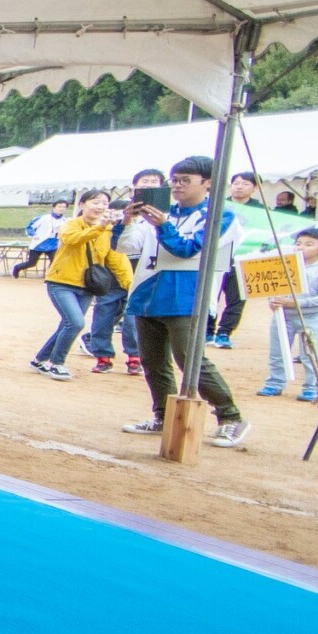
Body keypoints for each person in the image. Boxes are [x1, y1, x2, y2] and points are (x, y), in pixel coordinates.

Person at [121, 155, 246, 448]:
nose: (177, 186)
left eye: (185, 181)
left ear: (208, 183)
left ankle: (230, 416)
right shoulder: (161, 211)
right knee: (153, 362)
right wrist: (127, 222)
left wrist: (163, 225)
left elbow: (187, 250)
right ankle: (163, 415)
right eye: (174, 180)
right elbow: (126, 247)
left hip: (187, 297)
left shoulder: (220, 216)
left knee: (190, 360)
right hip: (148, 293)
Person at [30, 191, 131, 380]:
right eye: (95, 202)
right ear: (82, 204)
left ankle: (40, 359)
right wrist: (100, 227)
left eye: (104, 203)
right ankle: (56, 363)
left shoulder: (108, 232)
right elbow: (73, 239)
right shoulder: (70, 225)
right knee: (75, 322)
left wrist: (130, 286)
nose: (100, 206)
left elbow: (117, 261)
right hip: (61, 283)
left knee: (67, 325)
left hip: (87, 286)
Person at [261, 227, 318, 403]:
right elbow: (271, 287)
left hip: (312, 318)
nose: (301, 247)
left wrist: (294, 303)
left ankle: (312, 387)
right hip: (283, 316)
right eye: (298, 243)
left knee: (311, 353)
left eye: (308, 244)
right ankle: (275, 382)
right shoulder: (284, 265)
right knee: (277, 351)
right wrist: (273, 302)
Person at [210, 173, 276, 349]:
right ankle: (207, 329)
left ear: (255, 188)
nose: (239, 187)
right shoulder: (219, 204)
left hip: (244, 258)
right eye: (236, 183)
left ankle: (224, 332)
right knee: (209, 294)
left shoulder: (262, 211)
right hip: (219, 255)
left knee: (237, 297)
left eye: (245, 184)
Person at [111, 171, 165, 374]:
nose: (150, 185)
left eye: (154, 182)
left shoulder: (171, 213)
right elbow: (123, 245)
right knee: (130, 311)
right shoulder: (128, 211)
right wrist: (127, 219)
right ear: (135, 186)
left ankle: (147, 358)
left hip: (159, 270)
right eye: (145, 181)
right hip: (129, 266)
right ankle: (134, 356)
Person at [12, 202, 68, 277]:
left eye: (64, 207)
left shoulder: (66, 221)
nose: (61, 209)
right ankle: (17, 268)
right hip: (38, 244)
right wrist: (33, 235)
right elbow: (30, 226)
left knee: (55, 262)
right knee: (32, 263)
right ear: (53, 208)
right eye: (59, 206)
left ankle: (50, 278)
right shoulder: (43, 218)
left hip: (53, 244)